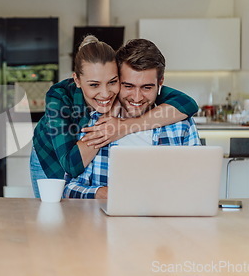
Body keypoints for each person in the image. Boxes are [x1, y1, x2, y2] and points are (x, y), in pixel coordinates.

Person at [30, 35, 199, 198]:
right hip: (50, 154)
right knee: (53, 206)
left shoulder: (153, 98)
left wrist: (125, 125)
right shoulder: (60, 98)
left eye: (112, 82)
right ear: (77, 80)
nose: (105, 94)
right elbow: (71, 169)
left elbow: (188, 104)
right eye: (128, 86)